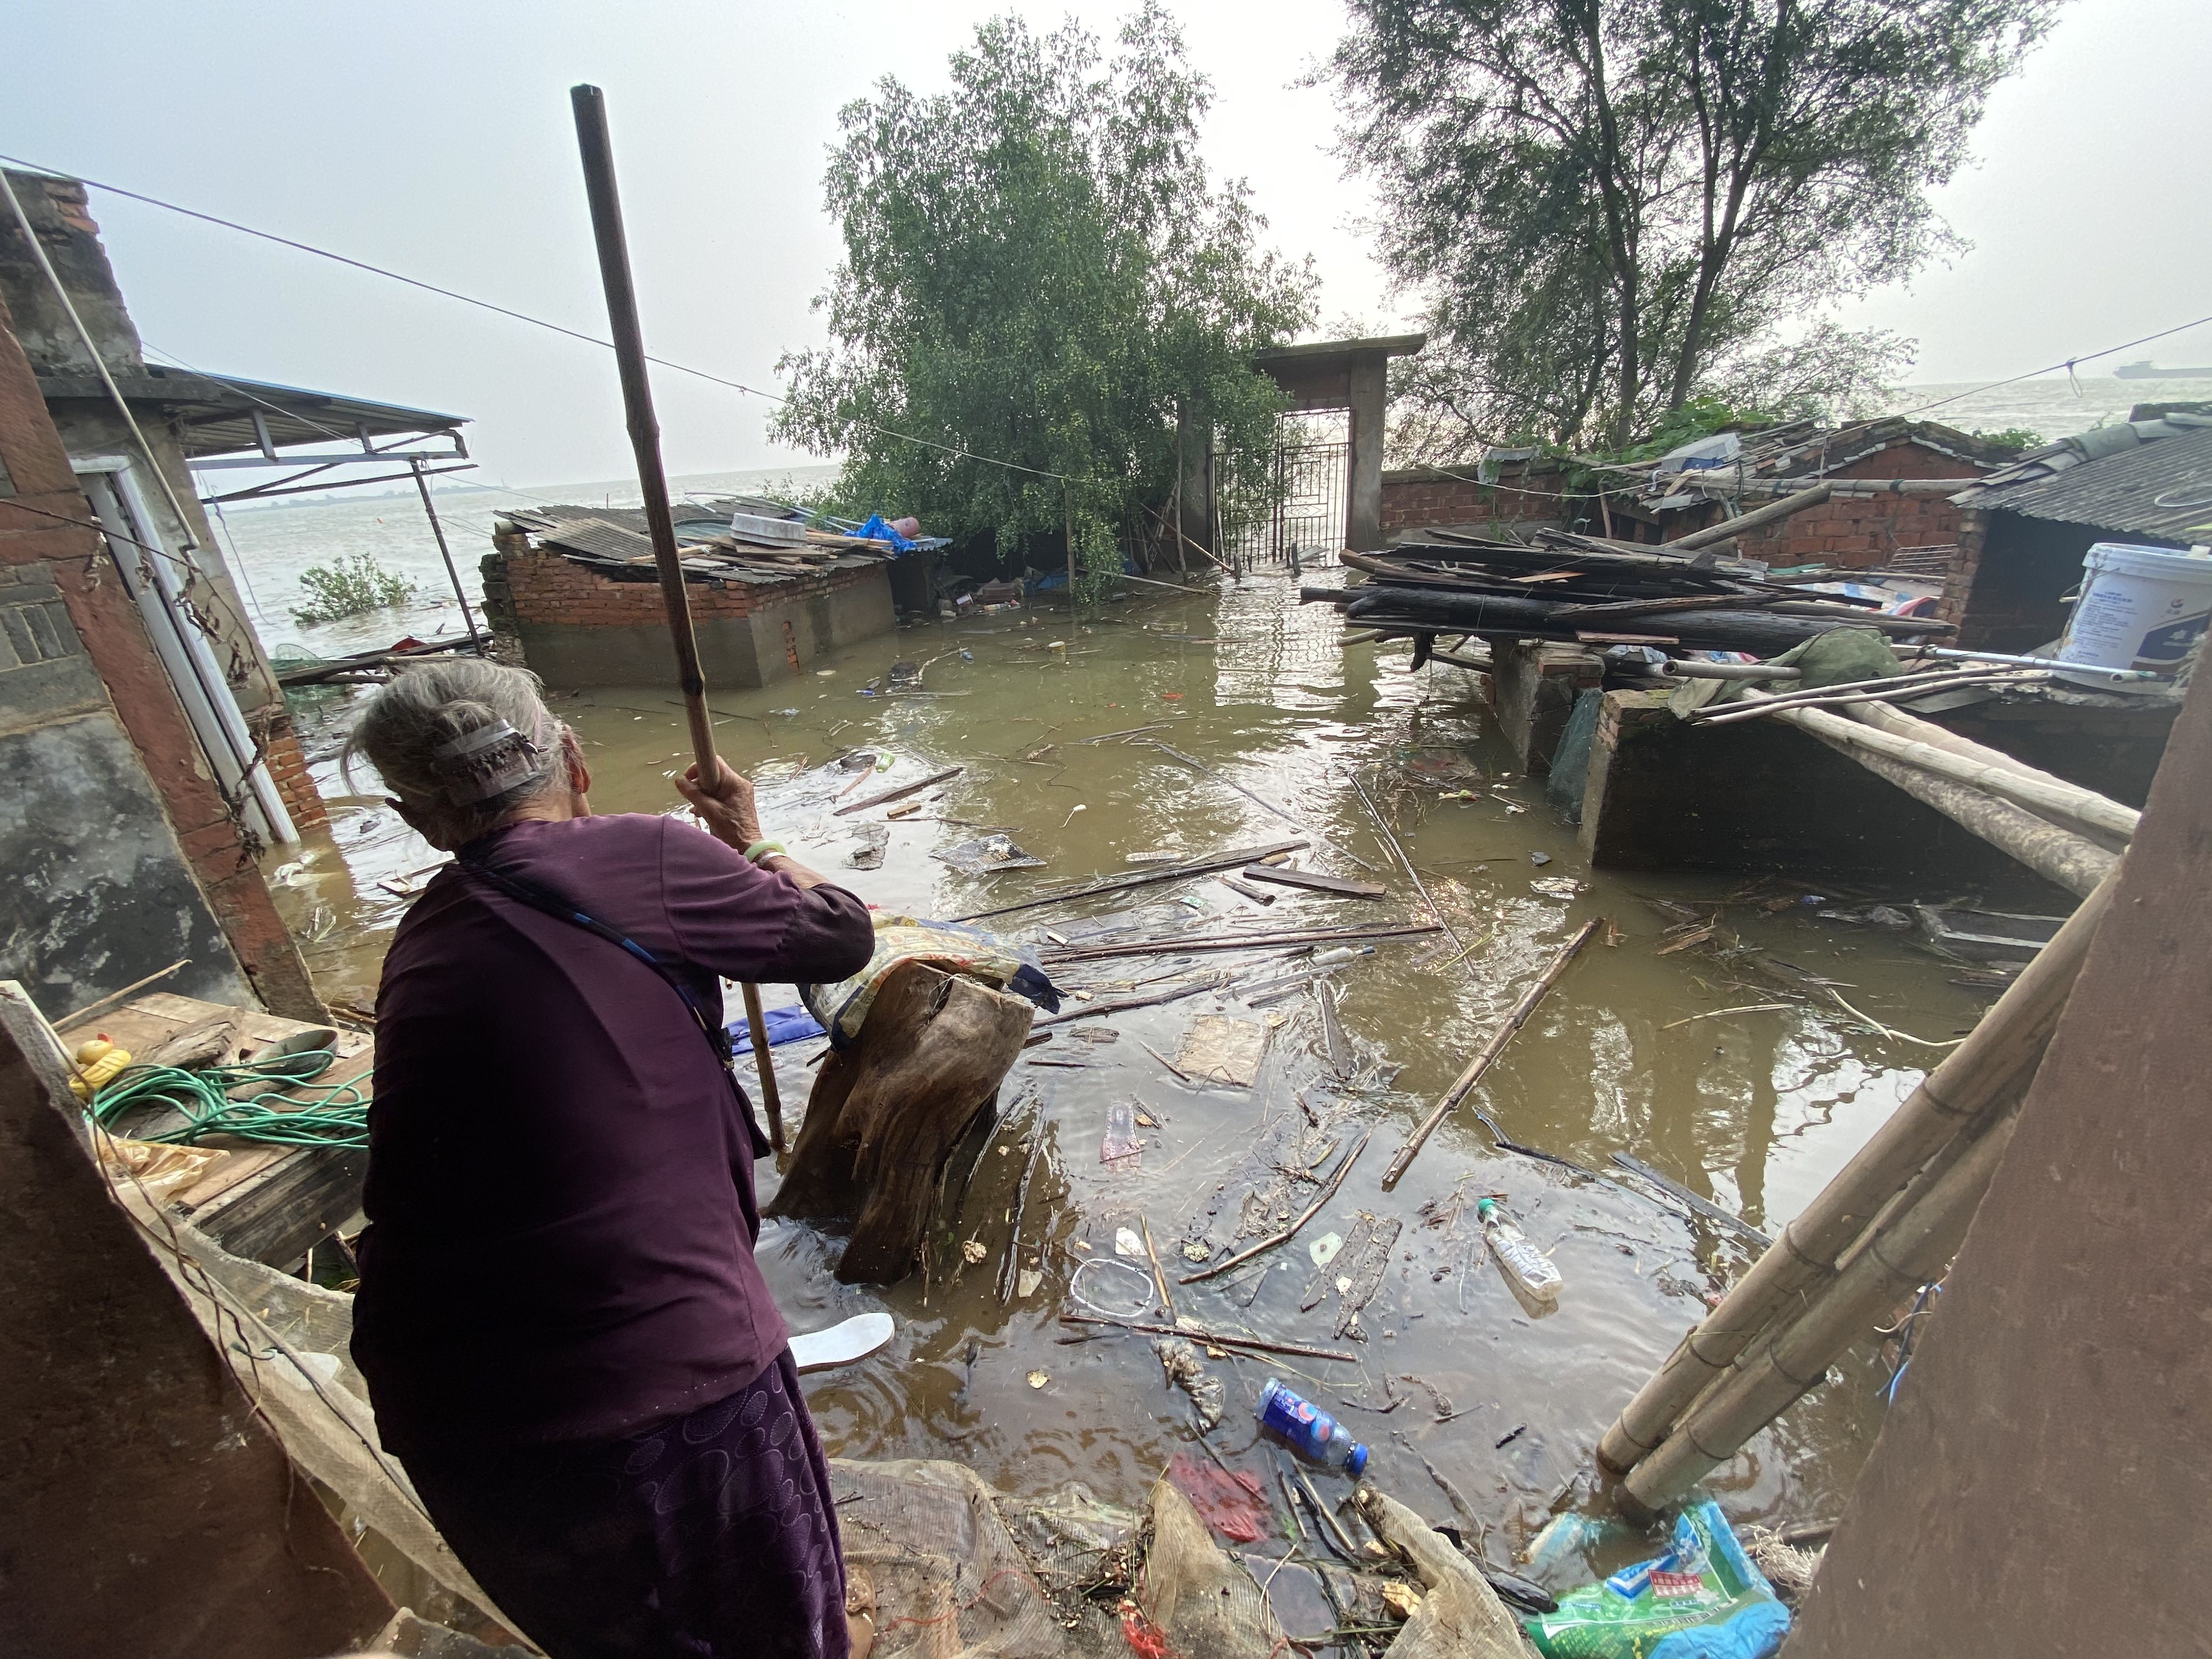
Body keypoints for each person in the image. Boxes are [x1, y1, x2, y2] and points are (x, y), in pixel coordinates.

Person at [343, 661, 878, 1659]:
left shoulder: (422, 933)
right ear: (575, 759)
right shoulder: (644, 852)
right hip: (656, 1382)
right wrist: (752, 836)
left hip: (447, 1412)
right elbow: (841, 934)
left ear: (416, 820)